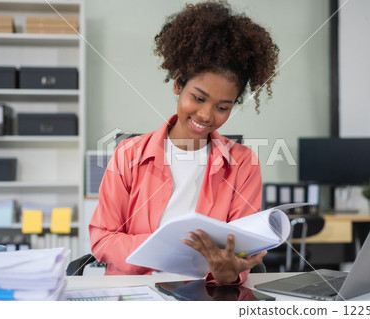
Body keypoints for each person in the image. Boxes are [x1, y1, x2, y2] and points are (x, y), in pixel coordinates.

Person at [89, 0, 279, 285]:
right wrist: (165, 250)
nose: (205, 115)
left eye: (222, 107)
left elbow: (240, 250)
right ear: (178, 84)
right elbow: (103, 238)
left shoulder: (243, 164)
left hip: (203, 293)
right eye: (199, 98)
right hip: (134, 292)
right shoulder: (128, 154)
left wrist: (230, 272)